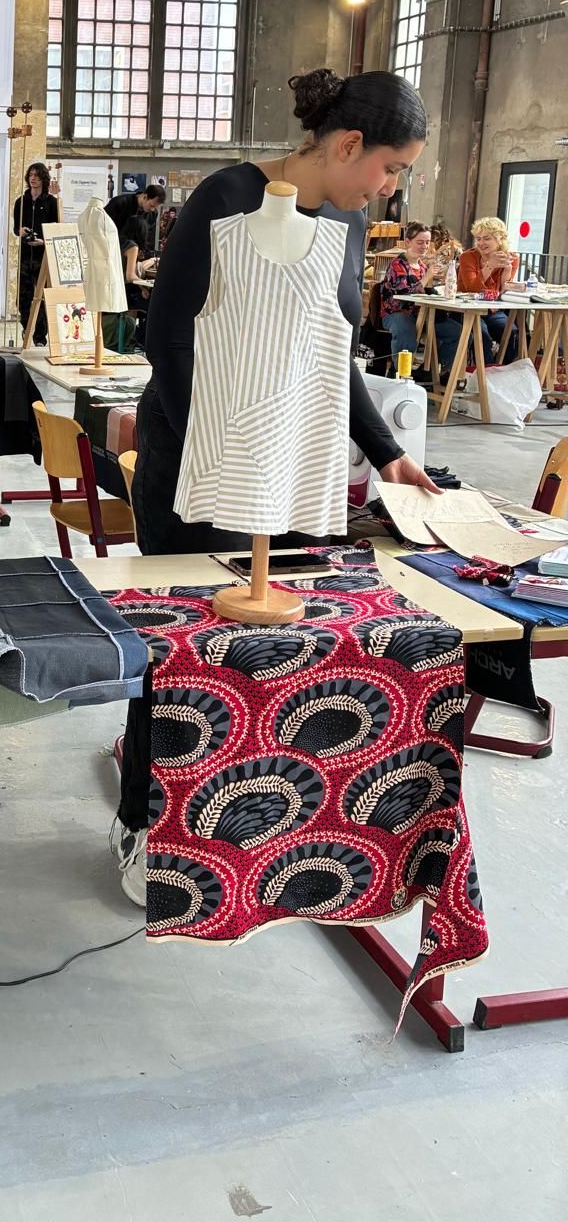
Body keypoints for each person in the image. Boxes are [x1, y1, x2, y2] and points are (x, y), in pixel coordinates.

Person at [113, 67, 440, 906]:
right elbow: (169, 342)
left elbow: (333, 352)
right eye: (392, 167)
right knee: (182, 654)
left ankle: (245, 823)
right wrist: (221, 452)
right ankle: (142, 818)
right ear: (349, 144)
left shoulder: (348, 223)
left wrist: (386, 453)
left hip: (288, 466)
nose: (392, 187)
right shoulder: (226, 200)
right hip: (198, 459)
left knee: (272, 656)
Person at [379, 221, 460, 374]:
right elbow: (403, 295)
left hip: (420, 314)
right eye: (420, 242)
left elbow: (424, 292)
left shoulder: (422, 266)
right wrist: (427, 277)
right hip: (396, 313)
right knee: (406, 333)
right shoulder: (397, 265)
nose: (424, 246)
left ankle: (434, 371)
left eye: (427, 242)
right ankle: (399, 372)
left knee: (457, 332)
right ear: (408, 242)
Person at [459, 216, 520, 362]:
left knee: (512, 333)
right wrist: (490, 266)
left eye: (486, 238)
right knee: (482, 336)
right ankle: (484, 372)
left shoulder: (512, 258)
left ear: (500, 239)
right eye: (478, 239)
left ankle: (502, 370)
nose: (481, 243)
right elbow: (472, 288)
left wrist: (507, 271)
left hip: (492, 309)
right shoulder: (467, 257)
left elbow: (505, 292)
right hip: (468, 308)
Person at [13, 162, 59, 344]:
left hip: (43, 257)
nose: (33, 179)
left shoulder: (51, 202)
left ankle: (40, 336)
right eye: (31, 175)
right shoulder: (21, 202)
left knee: (42, 297)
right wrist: (20, 231)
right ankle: (27, 328)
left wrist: (44, 241)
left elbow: (57, 228)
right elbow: (16, 228)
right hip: (25, 255)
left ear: (43, 179)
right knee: (23, 298)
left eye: (37, 176)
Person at [105, 183, 165, 258]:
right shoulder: (119, 203)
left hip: (134, 254)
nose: (152, 209)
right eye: (152, 205)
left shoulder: (153, 214)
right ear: (145, 197)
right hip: (112, 250)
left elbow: (147, 238)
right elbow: (102, 227)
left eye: (155, 207)